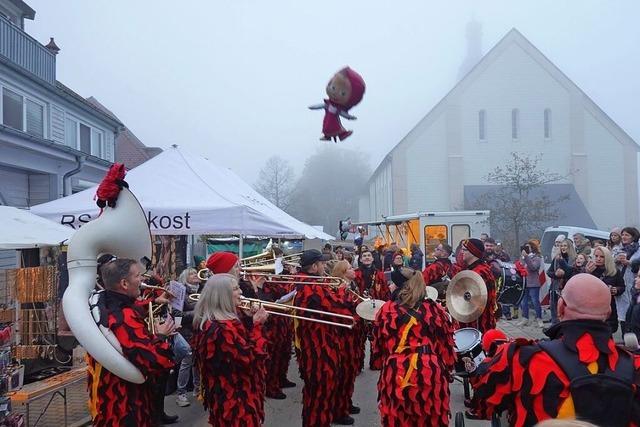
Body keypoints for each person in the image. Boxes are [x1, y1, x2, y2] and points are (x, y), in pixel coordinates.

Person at [468, 273, 640, 425]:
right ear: (608, 312)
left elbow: (484, 399)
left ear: (560, 307)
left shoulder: (523, 357)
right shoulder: (635, 367)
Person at [87, 259, 176, 427]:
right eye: (138, 276)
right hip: (126, 403)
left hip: (112, 397)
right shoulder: (123, 316)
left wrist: (154, 301)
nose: (142, 281)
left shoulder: (105, 302)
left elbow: (132, 307)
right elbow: (152, 360)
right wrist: (161, 336)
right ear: (124, 283)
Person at [373, 267, 456, 426]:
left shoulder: (387, 309)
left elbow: (379, 346)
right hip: (430, 371)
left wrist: (383, 362)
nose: (389, 285)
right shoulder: (434, 309)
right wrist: (447, 368)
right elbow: (446, 345)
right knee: (430, 418)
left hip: (396, 370)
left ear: (398, 286)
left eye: (392, 283)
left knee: (398, 418)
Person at [192, 274, 268, 427]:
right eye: (235, 289)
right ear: (223, 296)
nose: (240, 291)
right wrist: (258, 326)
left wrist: (248, 320)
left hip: (240, 394)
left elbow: (240, 345)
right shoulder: (221, 329)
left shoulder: (225, 322)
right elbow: (249, 359)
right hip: (235, 401)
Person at [294, 249, 355, 426]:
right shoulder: (312, 288)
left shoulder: (311, 283)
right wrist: (344, 294)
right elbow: (336, 310)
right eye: (321, 264)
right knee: (320, 389)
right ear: (314, 266)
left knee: (322, 389)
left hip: (321, 342)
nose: (324, 267)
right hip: (318, 346)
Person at [331, 261, 362, 420]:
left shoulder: (351, 286)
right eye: (350, 268)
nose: (353, 269)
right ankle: (339, 410)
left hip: (352, 335)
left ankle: (346, 402)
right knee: (343, 373)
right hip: (343, 337)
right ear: (343, 272)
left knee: (350, 372)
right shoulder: (339, 289)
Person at [354, 249, 389, 371]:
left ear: (373, 258)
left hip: (376, 307)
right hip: (360, 307)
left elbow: (385, 291)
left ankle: (376, 363)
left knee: (376, 336)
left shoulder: (379, 274)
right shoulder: (356, 273)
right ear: (360, 259)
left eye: (369, 255)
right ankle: (358, 365)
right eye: (364, 256)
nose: (367, 257)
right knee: (359, 337)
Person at [174, 267, 201, 407]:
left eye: (196, 273)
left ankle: (198, 390)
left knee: (197, 362)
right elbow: (177, 316)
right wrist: (196, 312)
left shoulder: (200, 290)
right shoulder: (180, 291)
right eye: (191, 273)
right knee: (187, 363)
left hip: (199, 331)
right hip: (186, 332)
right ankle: (181, 394)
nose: (195, 275)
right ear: (185, 277)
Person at [459, 238, 497, 333]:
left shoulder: (479, 272)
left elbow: (471, 300)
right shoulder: (476, 269)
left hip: (479, 324)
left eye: (464, 250)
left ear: (473, 252)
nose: (461, 252)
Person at [586, 246, 625, 333]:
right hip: (591, 306)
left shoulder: (614, 271)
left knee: (607, 332)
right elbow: (580, 284)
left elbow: (622, 287)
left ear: (607, 257)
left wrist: (616, 290)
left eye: (602, 257)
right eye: (596, 256)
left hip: (608, 306)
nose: (598, 259)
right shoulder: (589, 268)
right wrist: (587, 273)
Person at [546, 239, 576, 325]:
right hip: (555, 287)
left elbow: (570, 272)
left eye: (565, 246)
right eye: (561, 246)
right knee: (554, 309)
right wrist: (555, 274)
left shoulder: (573, 259)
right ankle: (554, 327)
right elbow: (549, 272)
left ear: (569, 247)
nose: (563, 247)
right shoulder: (556, 258)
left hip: (567, 288)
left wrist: (563, 272)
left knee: (564, 310)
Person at [517, 241, 545, 328]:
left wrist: (526, 257)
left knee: (535, 301)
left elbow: (533, 267)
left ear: (532, 248)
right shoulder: (523, 257)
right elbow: (520, 266)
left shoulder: (537, 257)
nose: (526, 249)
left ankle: (539, 318)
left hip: (533, 283)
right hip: (524, 283)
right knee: (523, 302)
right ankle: (525, 318)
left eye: (528, 247)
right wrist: (522, 258)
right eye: (525, 247)